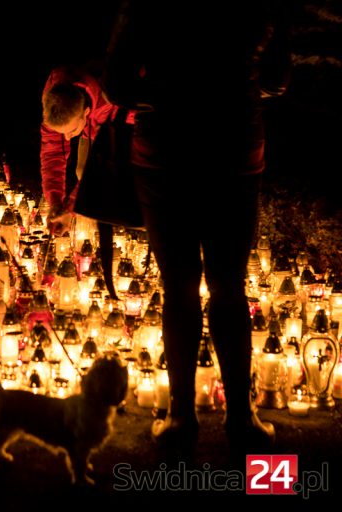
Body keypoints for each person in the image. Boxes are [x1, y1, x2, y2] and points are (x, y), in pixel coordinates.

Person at [104, 1, 291, 457]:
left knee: (179, 285)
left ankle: (181, 417)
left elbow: (116, 85)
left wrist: (165, 96)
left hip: (165, 156)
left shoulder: (148, 2)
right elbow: (276, 80)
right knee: (229, 286)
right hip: (234, 151)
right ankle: (242, 419)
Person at [39, 64, 123, 235]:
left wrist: (71, 208)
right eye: (62, 133)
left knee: (93, 174)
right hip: (90, 126)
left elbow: (100, 167)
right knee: (81, 173)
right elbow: (52, 155)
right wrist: (55, 202)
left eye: (71, 131)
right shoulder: (54, 105)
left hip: (128, 126)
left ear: (86, 112)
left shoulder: (108, 108)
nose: (68, 138)